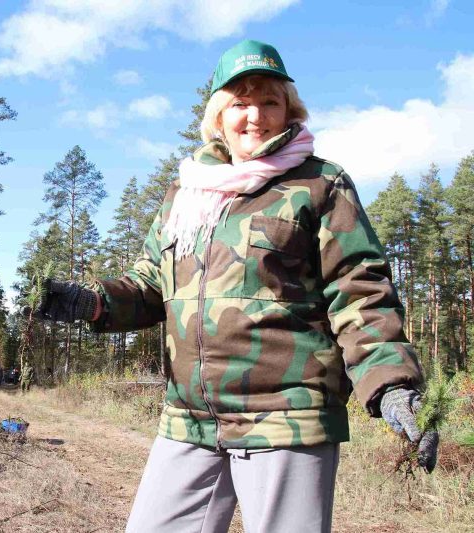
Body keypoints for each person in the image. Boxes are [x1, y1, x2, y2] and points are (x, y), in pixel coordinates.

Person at [32, 39, 438, 533]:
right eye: (241, 102)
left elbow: (359, 289)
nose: (255, 116)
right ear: (219, 115)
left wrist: (390, 383)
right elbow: (152, 286)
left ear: (290, 110)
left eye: (270, 101)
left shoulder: (320, 185)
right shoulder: (186, 193)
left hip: (287, 417)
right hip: (189, 419)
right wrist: (95, 303)